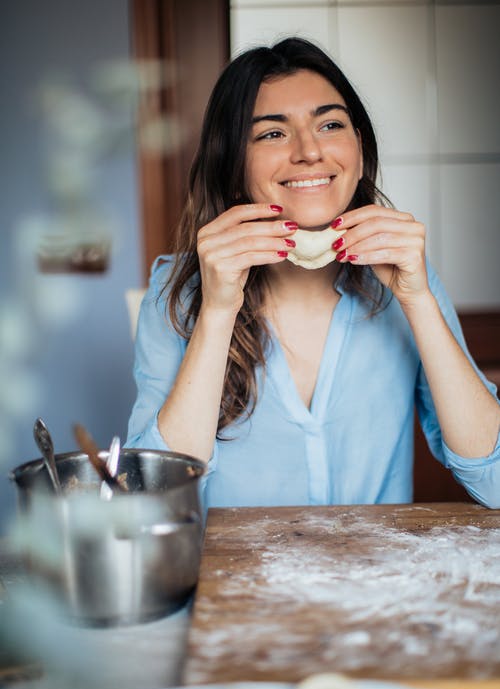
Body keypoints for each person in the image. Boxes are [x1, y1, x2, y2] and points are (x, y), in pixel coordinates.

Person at [126, 37, 500, 510]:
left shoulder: (408, 283)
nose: (309, 151)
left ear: (358, 149)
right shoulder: (176, 290)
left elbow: (496, 482)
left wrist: (419, 301)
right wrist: (218, 311)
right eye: (272, 133)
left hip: (374, 580)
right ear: (231, 161)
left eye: (330, 124)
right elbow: (152, 500)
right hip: (232, 582)